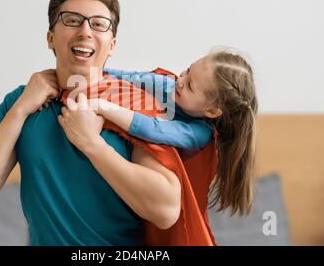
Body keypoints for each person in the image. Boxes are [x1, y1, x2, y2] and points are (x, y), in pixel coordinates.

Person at [0, 0, 182, 246]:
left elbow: (165, 210)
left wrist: (91, 143)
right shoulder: (21, 102)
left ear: (112, 45)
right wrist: (19, 110)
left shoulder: (136, 105)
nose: (85, 31)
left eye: (98, 24)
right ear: (50, 38)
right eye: (72, 20)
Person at [92, 46, 259, 216]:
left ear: (211, 111)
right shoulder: (170, 85)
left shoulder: (198, 133)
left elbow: (153, 128)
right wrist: (90, 72)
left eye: (190, 86)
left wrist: (103, 107)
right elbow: (128, 77)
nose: (180, 80)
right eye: (188, 70)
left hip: (165, 202)